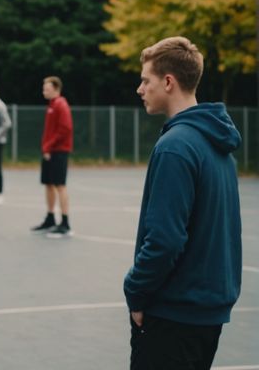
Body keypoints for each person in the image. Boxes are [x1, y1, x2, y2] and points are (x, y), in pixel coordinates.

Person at [124, 37, 241, 370]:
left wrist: (135, 289)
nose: (140, 88)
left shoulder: (176, 146)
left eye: (146, 80)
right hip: (206, 314)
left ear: (168, 82)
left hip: (173, 313)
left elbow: (164, 239)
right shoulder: (218, 145)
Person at [31, 76, 74, 237]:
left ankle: (65, 223)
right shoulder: (51, 105)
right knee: (49, 184)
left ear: (56, 89)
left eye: (47, 89)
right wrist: (46, 148)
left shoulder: (61, 105)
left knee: (60, 185)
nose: (44, 91)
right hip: (49, 151)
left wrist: (49, 146)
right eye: (44, 88)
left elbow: (65, 129)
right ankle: (50, 218)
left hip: (59, 151)